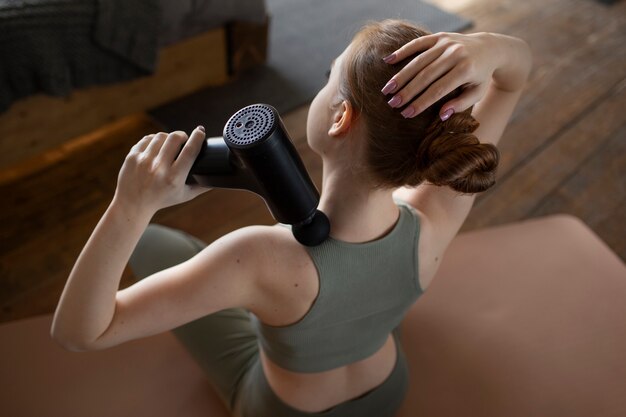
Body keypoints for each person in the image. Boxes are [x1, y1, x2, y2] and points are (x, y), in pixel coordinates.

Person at [51, 19, 531, 417]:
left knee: (151, 240)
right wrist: (485, 46)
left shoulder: (255, 259)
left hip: (285, 410)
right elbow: (514, 75)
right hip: (387, 391)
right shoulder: (434, 217)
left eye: (330, 75)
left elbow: (80, 332)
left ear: (341, 115)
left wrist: (130, 206)